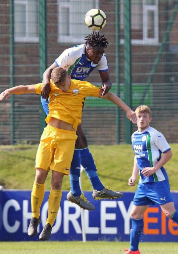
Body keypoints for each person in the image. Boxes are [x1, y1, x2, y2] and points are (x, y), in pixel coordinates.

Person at [0, 67, 136, 241]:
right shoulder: (51, 86)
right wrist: (9, 91)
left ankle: (49, 224)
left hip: (68, 138)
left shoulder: (82, 87)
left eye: (64, 85)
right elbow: (26, 88)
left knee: (57, 181)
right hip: (49, 134)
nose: (62, 89)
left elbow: (108, 95)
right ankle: (34, 218)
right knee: (40, 176)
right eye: (59, 86)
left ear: (69, 77)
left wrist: (128, 110)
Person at [41, 32, 121, 211]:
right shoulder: (73, 53)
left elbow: (106, 80)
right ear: (88, 48)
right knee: (77, 139)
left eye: (102, 53)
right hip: (54, 99)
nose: (99, 56)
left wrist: (106, 85)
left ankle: (79, 192)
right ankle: (91, 189)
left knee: (80, 141)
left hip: (73, 98)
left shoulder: (101, 58)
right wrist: (46, 83)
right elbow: (48, 71)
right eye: (97, 53)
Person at [117, 105, 178, 254]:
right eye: (139, 116)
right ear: (135, 119)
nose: (141, 119)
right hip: (143, 184)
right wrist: (133, 175)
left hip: (157, 181)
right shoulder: (134, 136)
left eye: (144, 117)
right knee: (135, 215)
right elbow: (137, 156)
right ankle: (134, 250)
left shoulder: (155, 135)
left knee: (170, 213)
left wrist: (154, 169)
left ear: (150, 119)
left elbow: (168, 153)